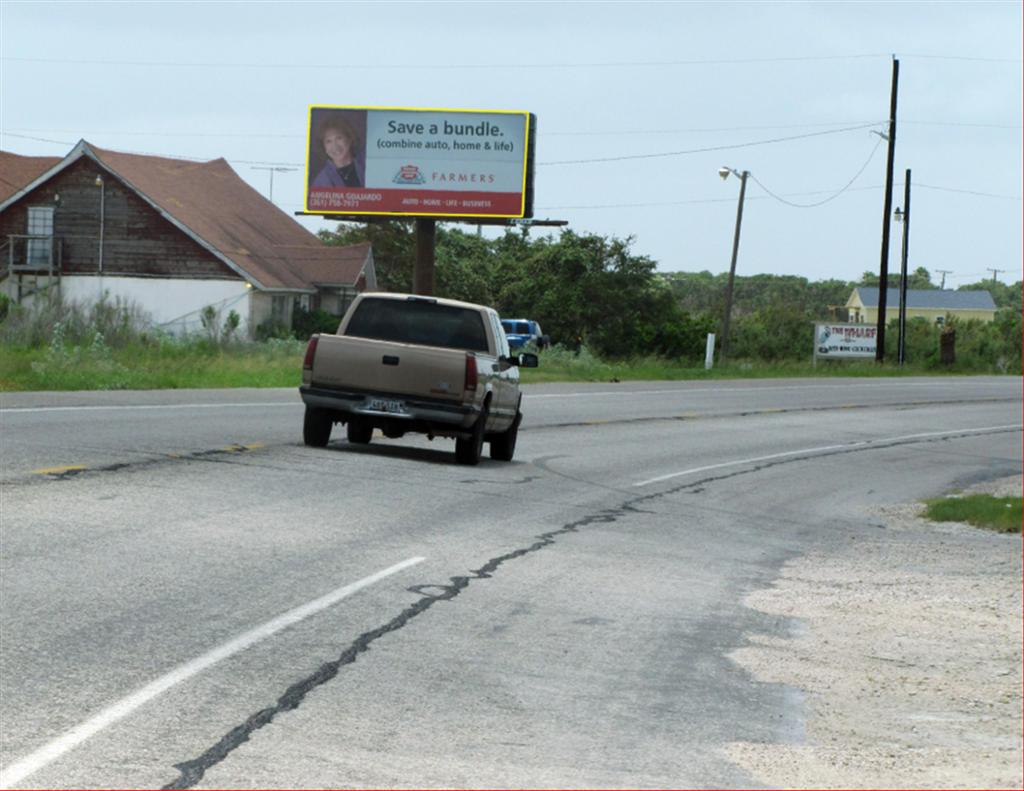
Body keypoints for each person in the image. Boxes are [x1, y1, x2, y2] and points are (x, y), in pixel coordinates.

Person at [311, 116, 365, 188]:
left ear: (350, 138)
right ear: (324, 148)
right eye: (328, 141)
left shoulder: (368, 163)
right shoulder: (321, 181)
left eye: (339, 138)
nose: (335, 146)